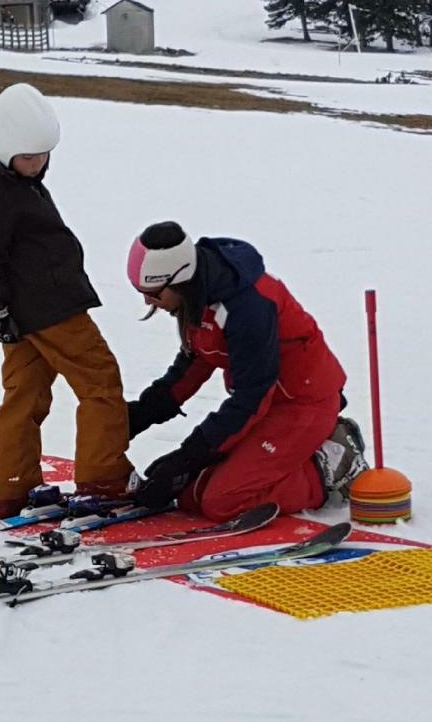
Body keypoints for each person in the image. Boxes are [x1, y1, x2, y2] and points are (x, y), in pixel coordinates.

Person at [0, 82, 133, 519]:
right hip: (50, 307)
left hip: (25, 311)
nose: (38, 165)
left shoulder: (5, 177)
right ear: (3, 149)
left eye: (43, 156)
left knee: (25, 391)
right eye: (28, 157)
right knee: (100, 380)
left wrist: (4, 312)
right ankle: (105, 479)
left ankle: (13, 487)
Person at [125, 221, 368, 522]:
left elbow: (252, 397)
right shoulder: (197, 295)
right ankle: (289, 458)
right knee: (189, 494)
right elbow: (195, 361)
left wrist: (188, 456)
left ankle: (331, 465)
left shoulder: (248, 307)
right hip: (263, 406)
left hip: (302, 404)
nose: (147, 301)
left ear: (178, 279)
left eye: (153, 293)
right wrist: (141, 414)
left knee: (223, 502)